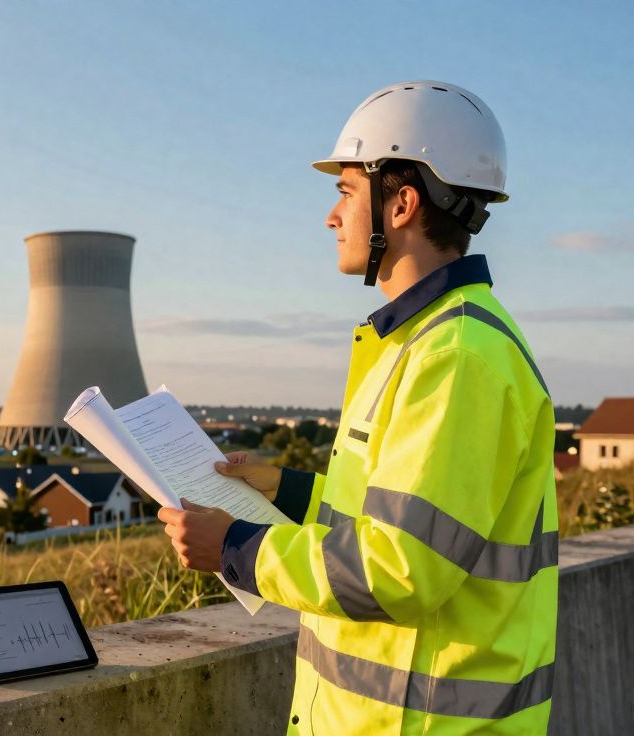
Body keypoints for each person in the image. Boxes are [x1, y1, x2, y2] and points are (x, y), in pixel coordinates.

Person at [157, 81, 557, 734]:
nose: (331, 216)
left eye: (345, 191)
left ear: (401, 204)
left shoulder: (455, 356)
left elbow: (399, 572)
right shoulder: (418, 344)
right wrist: (284, 490)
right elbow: (395, 522)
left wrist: (235, 547)